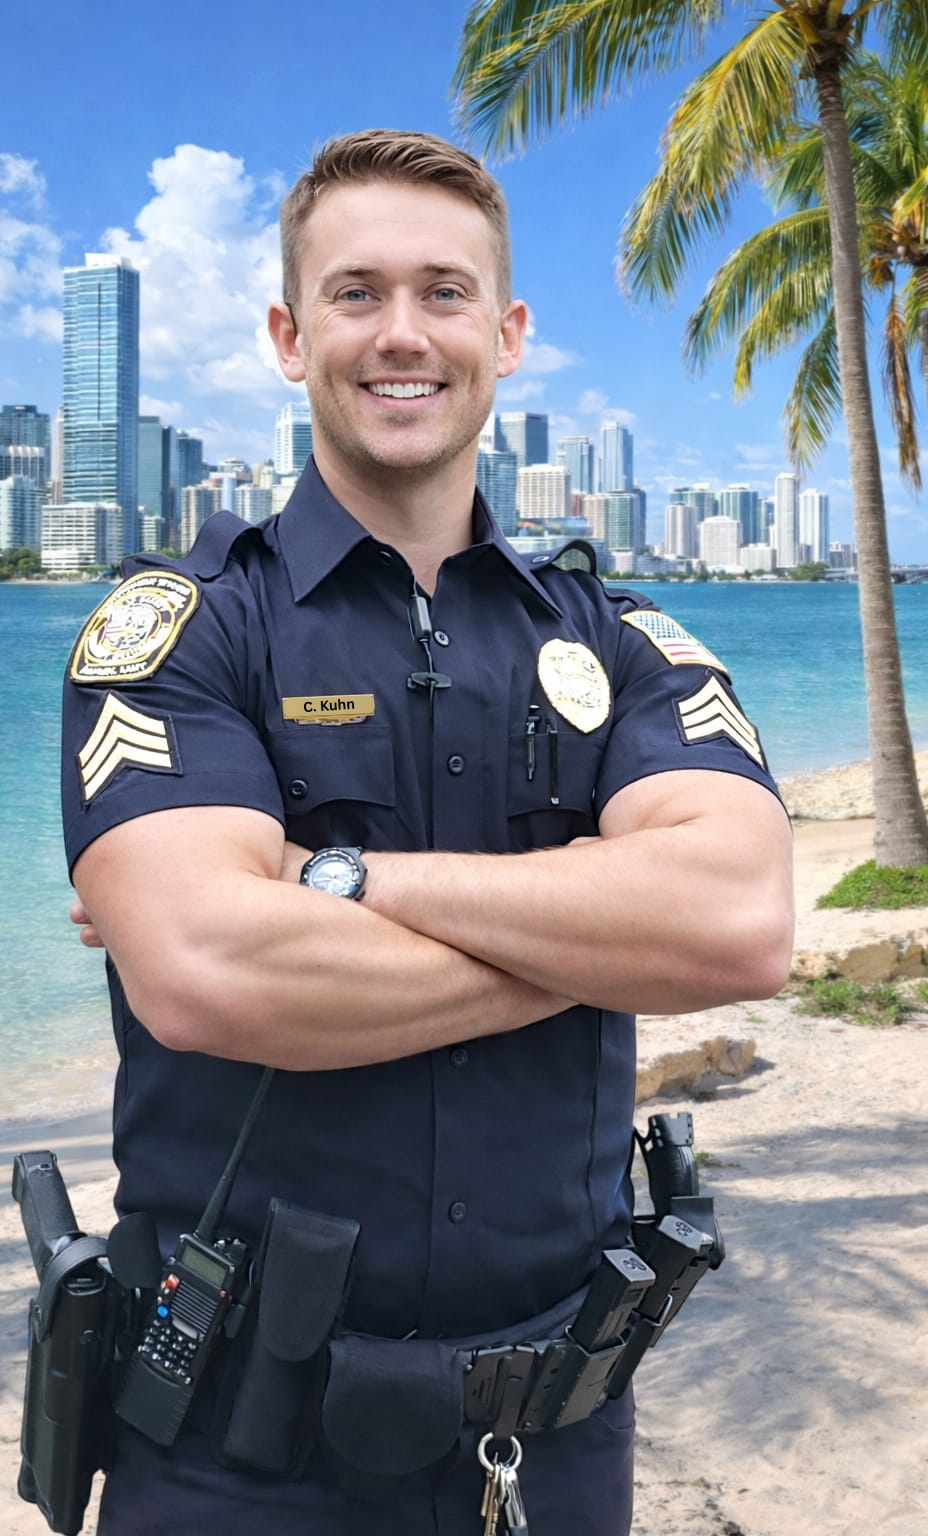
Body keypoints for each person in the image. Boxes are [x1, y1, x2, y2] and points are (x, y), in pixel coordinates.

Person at [61, 128, 794, 1535]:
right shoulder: (178, 631)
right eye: (356, 293)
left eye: (445, 293)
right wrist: (601, 927)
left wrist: (333, 879)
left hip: (554, 1449)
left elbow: (738, 922)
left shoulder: (620, 638)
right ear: (289, 335)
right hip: (228, 1453)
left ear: (508, 335)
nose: (404, 334)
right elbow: (213, 972)